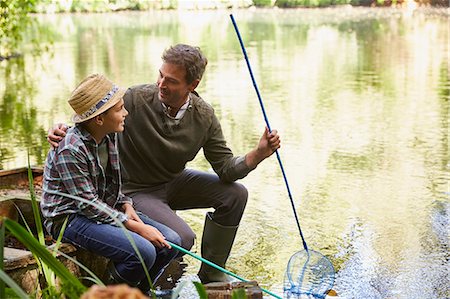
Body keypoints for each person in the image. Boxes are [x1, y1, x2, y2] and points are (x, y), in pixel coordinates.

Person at [47, 44, 281, 284]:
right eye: (160, 75)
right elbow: (92, 116)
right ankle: (126, 285)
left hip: (172, 182)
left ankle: (211, 275)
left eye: (171, 81)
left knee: (235, 195)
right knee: (181, 238)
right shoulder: (135, 99)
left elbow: (226, 169)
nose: (161, 84)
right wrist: (60, 128)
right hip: (135, 189)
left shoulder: (204, 116)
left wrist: (259, 153)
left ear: (193, 85)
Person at [41, 74, 181, 293]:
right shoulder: (71, 149)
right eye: (120, 109)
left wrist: (126, 204)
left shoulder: (108, 135)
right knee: (143, 251)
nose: (125, 113)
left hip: (104, 207)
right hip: (70, 218)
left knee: (172, 241)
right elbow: (87, 204)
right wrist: (136, 227)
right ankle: (105, 294)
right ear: (99, 119)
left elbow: (114, 183)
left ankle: (140, 293)